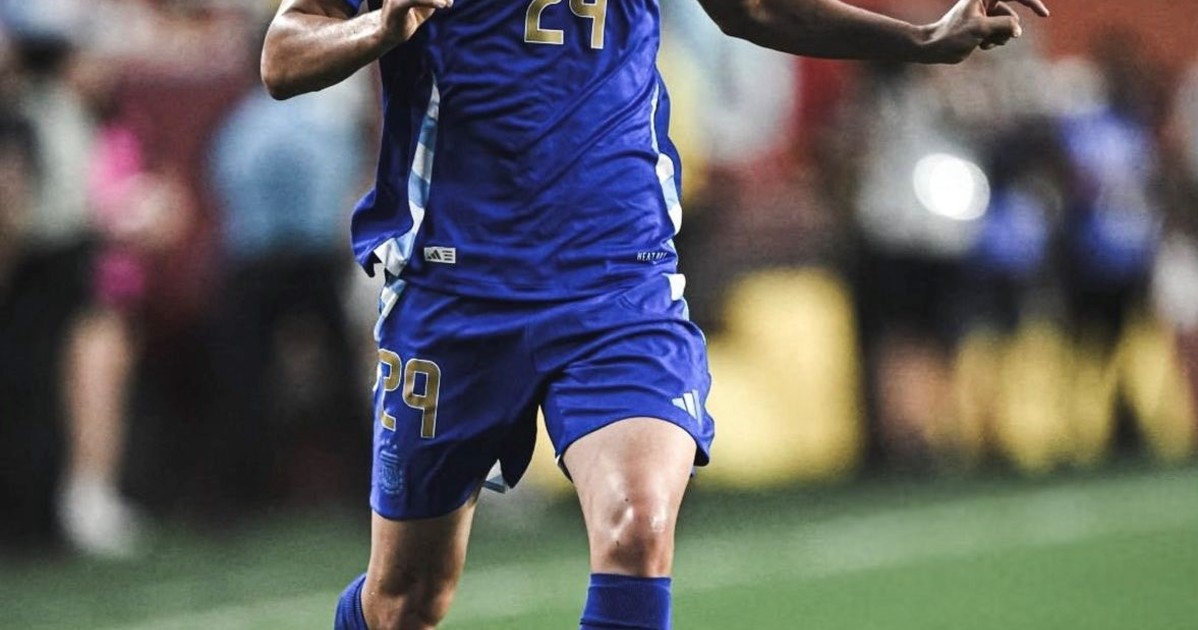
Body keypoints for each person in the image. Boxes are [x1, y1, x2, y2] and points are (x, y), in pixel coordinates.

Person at [260, 0, 1049, 627]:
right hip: (455, 290)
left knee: (636, 529)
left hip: (617, 282)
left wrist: (922, 39)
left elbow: (754, 9)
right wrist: (379, 27)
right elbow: (285, 51)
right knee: (405, 600)